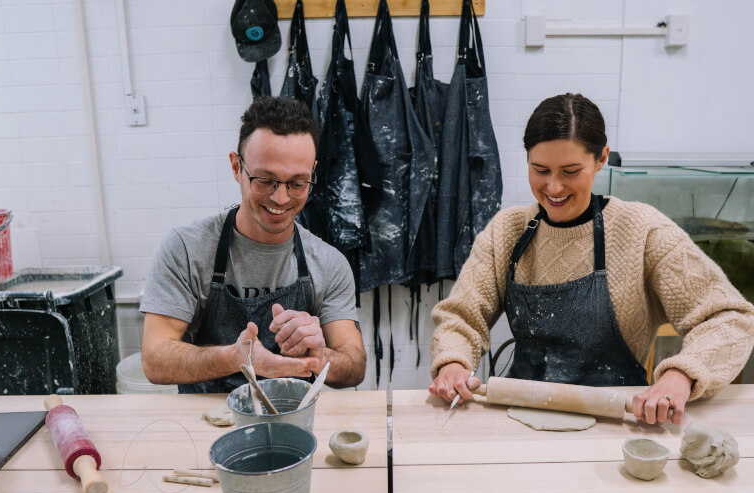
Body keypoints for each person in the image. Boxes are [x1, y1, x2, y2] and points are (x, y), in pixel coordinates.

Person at [428, 93, 754, 425]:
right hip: (520, 417)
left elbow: (731, 319)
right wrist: (452, 363)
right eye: (540, 170)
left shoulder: (643, 232)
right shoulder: (507, 231)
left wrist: (680, 375)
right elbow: (462, 317)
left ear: (601, 159)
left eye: (570, 171)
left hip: (620, 421)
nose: (553, 187)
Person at [140, 96, 366, 392]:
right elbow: (155, 360)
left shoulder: (328, 263)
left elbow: (355, 366)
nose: (281, 198)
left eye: (297, 183)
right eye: (264, 180)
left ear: (312, 172)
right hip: (207, 424)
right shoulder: (186, 249)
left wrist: (319, 356)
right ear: (237, 167)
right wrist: (237, 357)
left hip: (292, 422)